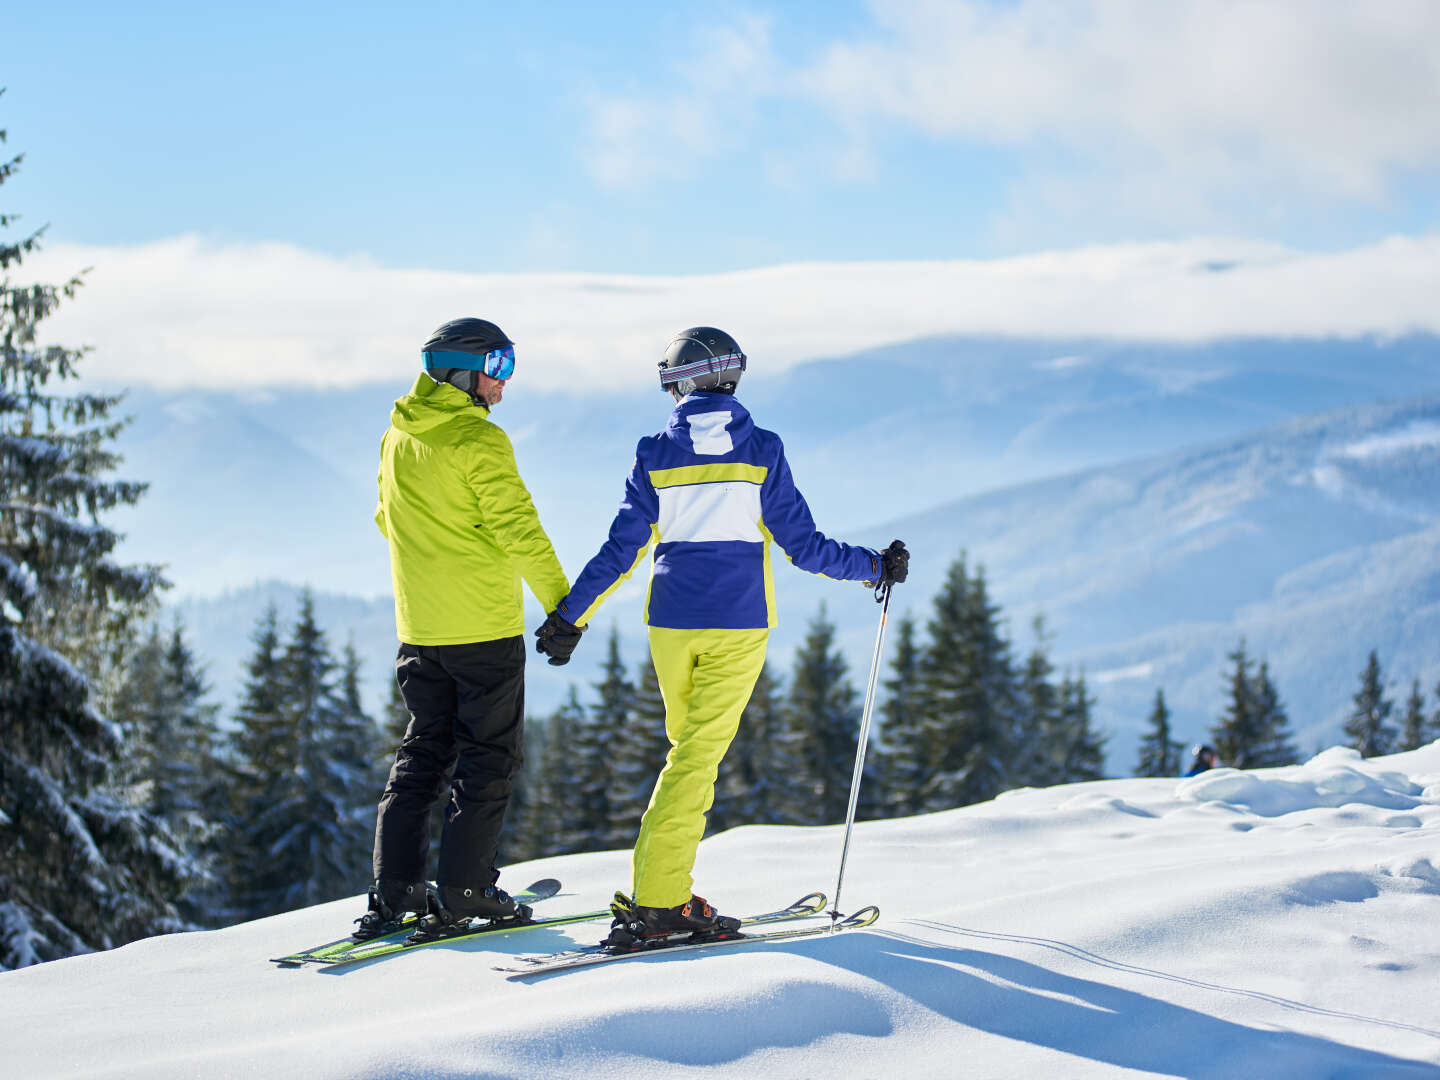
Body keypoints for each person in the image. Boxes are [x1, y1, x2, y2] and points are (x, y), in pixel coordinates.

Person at [534, 326, 908, 946]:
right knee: (694, 760)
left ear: (674, 383)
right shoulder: (762, 448)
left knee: (687, 755)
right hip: (738, 625)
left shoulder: (654, 451)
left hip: (670, 626)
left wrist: (572, 615)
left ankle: (663, 887)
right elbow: (804, 547)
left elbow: (622, 549)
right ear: (733, 378)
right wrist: (875, 566)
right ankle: (660, 902)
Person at [358, 317, 582, 942]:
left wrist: (438, 554)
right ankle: (465, 891)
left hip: (420, 627)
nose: (504, 386)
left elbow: (386, 518)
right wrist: (565, 608)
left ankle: (395, 889)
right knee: (487, 758)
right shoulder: (478, 443)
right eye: (499, 369)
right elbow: (519, 530)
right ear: (462, 371)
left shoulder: (397, 435)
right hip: (482, 627)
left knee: (423, 751)